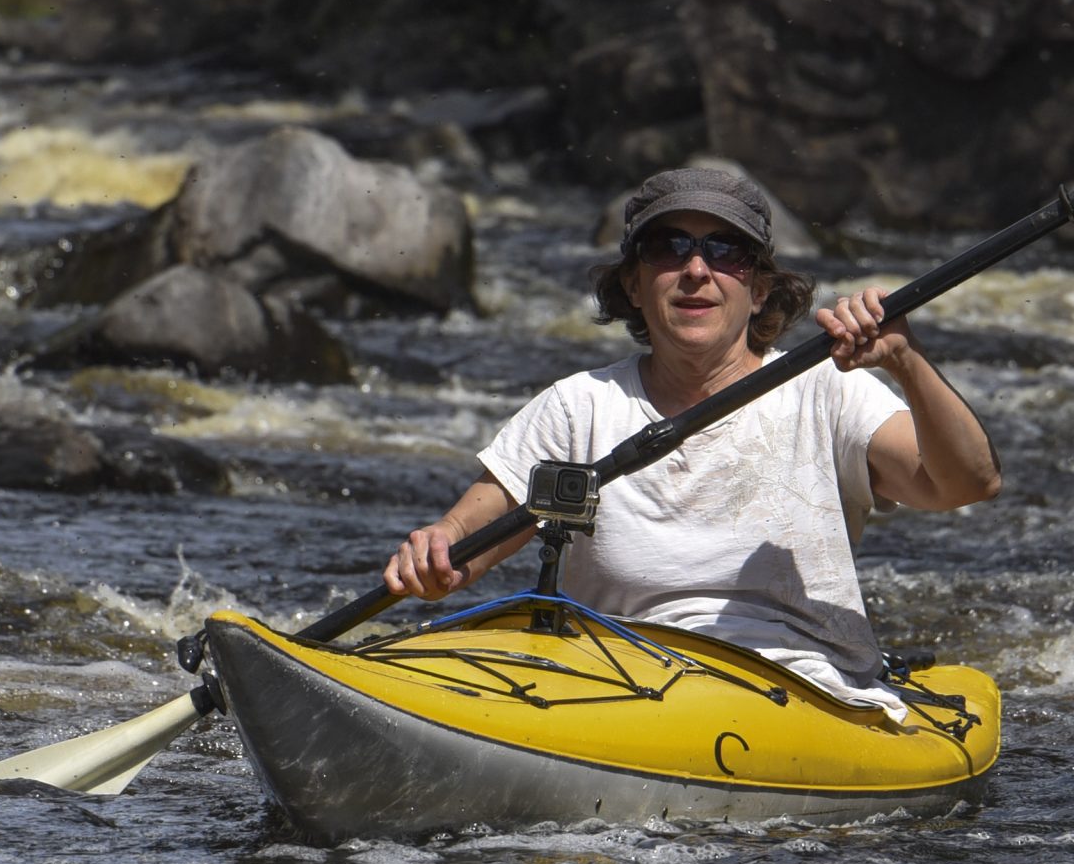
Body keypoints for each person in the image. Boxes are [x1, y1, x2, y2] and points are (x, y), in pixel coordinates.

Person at [381, 165, 1001, 720]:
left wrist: (906, 362)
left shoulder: (825, 390)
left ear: (758, 289)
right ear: (633, 284)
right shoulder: (577, 407)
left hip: (801, 687)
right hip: (617, 683)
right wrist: (435, 553)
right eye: (668, 247)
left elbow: (967, 484)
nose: (696, 270)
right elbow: (465, 542)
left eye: (725, 251)